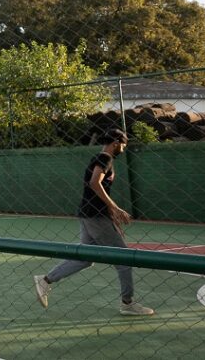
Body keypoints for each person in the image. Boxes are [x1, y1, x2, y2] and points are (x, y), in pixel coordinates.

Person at [34, 129, 154, 316]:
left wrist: (110, 213)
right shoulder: (105, 159)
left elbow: (94, 189)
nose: (123, 148)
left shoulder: (98, 158)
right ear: (116, 143)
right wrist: (114, 207)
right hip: (95, 216)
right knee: (124, 259)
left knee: (85, 258)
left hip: (89, 214)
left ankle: (46, 280)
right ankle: (127, 302)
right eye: (123, 145)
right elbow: (94, 183)